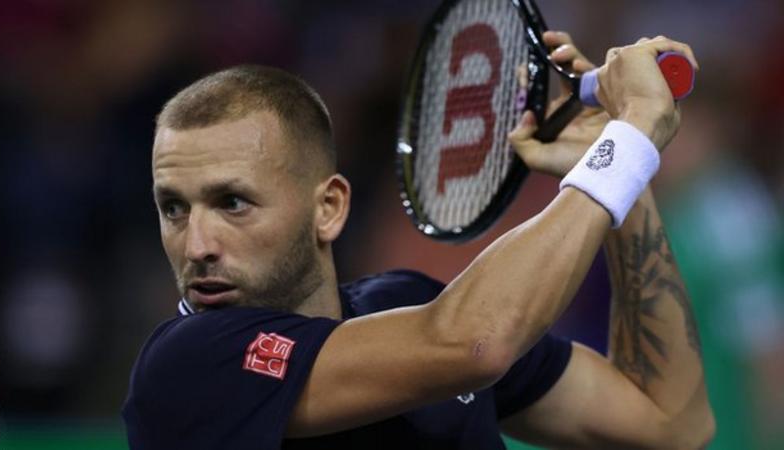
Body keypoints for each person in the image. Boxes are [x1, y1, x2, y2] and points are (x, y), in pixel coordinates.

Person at [122, 31, 715, 449]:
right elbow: (473, 342)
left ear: (328, 209)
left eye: (232, 203)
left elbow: (669, 425)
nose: (196, 242)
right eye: (173, 207)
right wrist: (632, 132)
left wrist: (618, 165)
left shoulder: (402, 305)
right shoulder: (187, 365)